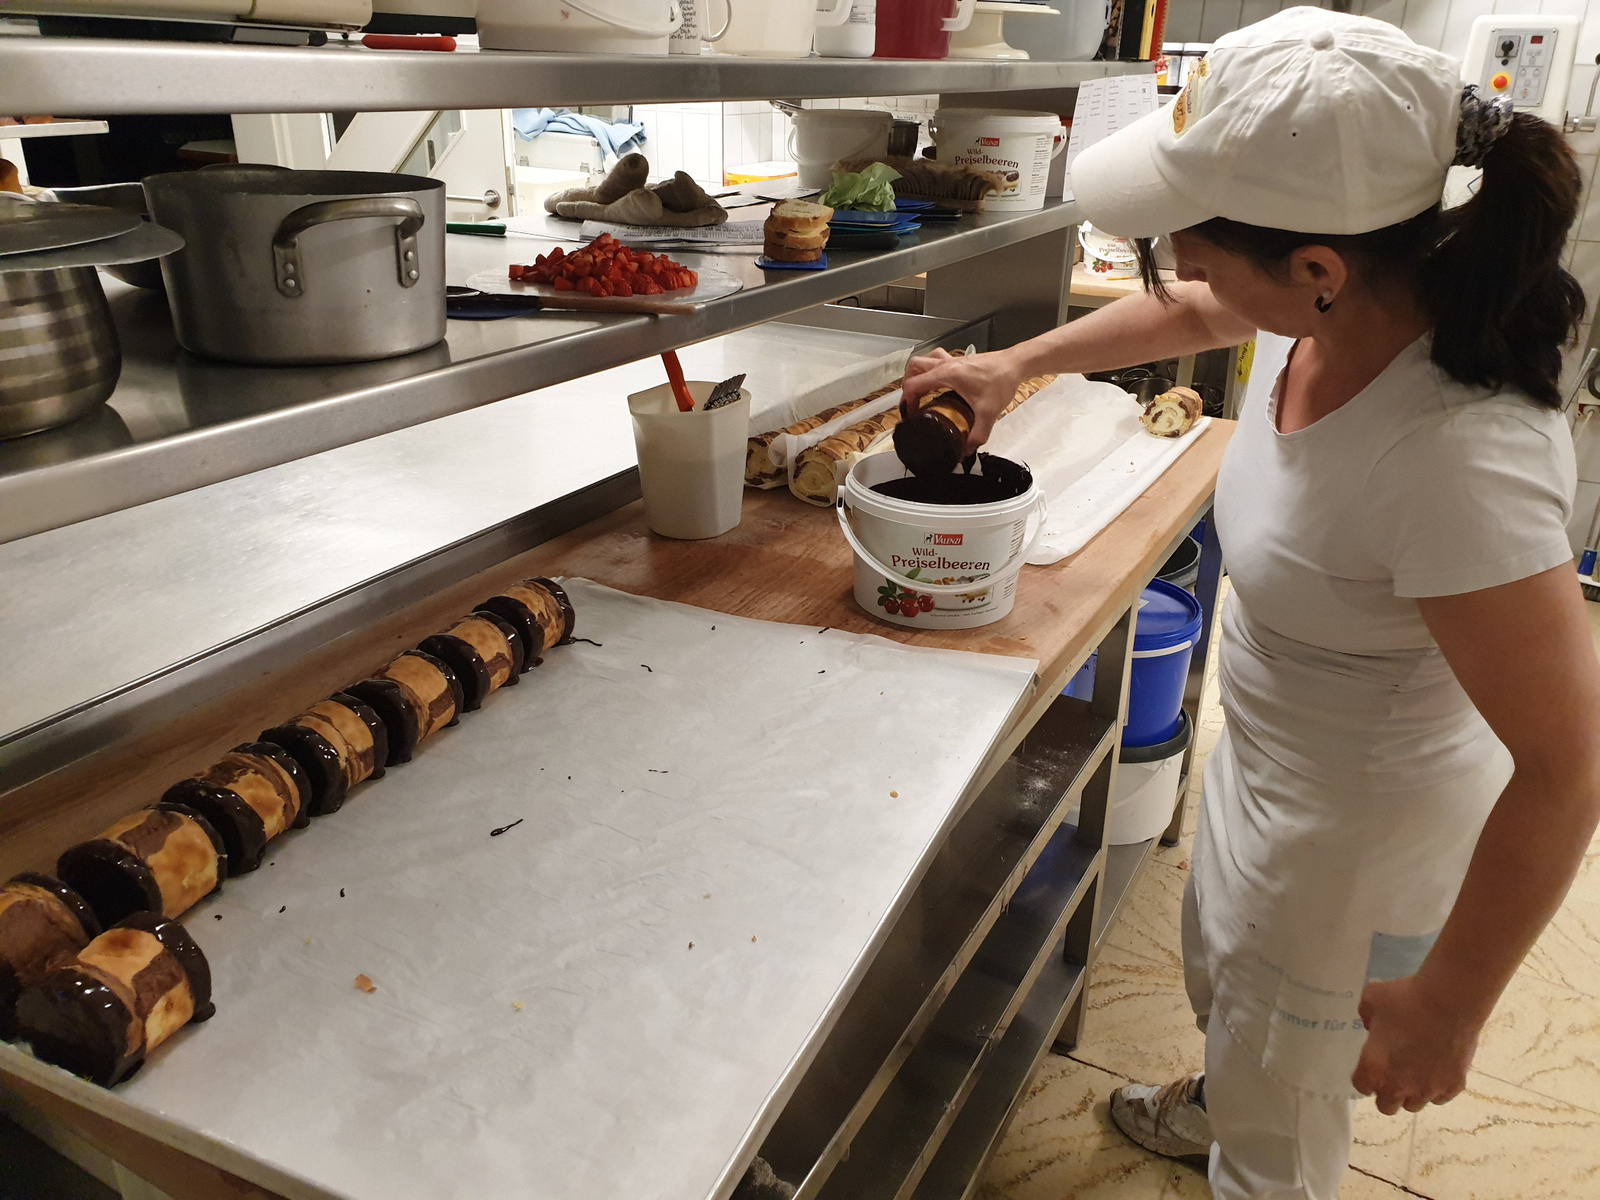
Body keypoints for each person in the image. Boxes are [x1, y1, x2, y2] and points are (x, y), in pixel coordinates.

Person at [900, 8, 1600, 1198]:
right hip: (1274, 758)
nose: (1186, 275)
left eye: (1198, 248)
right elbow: (1194, 313)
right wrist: (1009, 367)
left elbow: (1570, 762)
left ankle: (1258, 1143)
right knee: (1227, 984)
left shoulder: (1455, 458)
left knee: (1284, 1130)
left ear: (1315, 269)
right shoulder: (1346, 300)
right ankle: (1233, 1093)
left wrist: (1447, 1008)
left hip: (1354, 842)